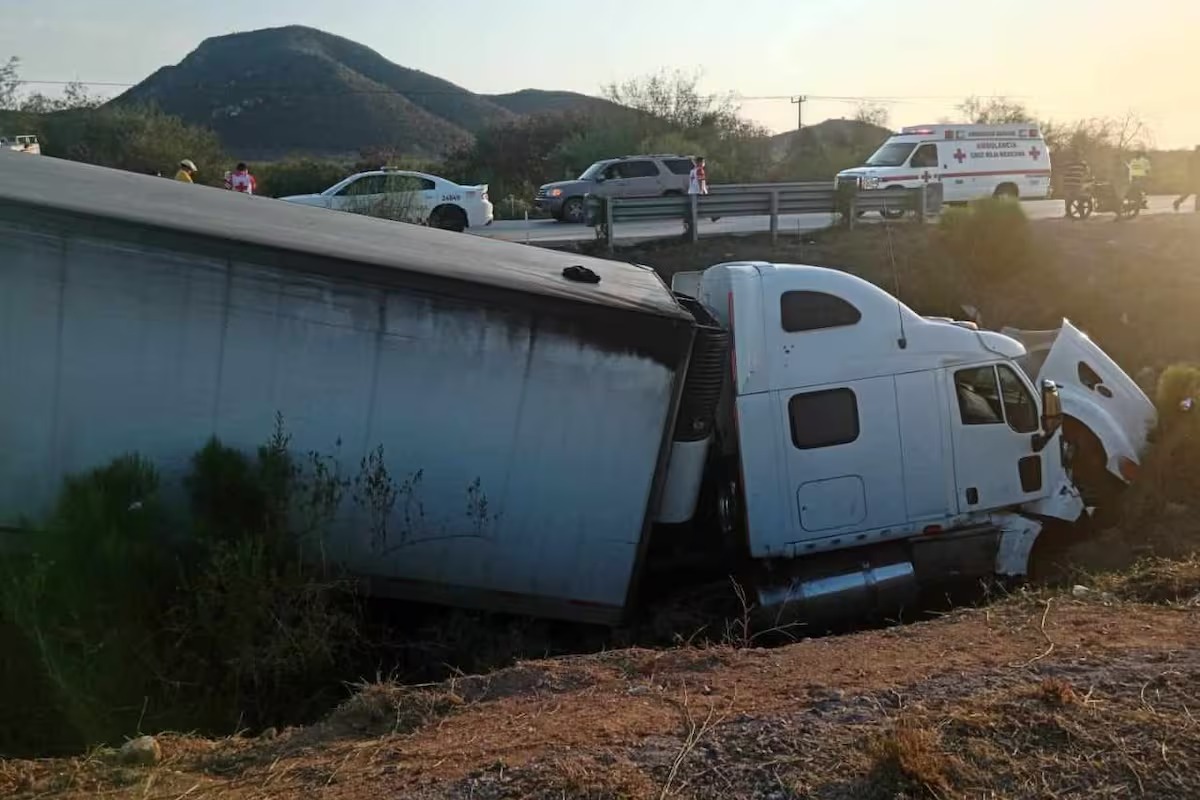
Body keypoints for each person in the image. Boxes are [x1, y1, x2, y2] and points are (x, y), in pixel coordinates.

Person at [1060, 151, 1090, 217]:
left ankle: (1081, 212)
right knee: (1068, 199)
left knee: (1079, 198)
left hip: (1076, 184)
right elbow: (1063, 172)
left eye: (1077, 155)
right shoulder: (1069, 163)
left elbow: (1087, 172)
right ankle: (1068, 213)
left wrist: (1083, 179)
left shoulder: (1083, 164)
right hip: (1069, 184)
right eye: (1074, 155)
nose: (1076, 157)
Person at [1174, 145, 1199, 212]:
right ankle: (1197, 208)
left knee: (1189, 193)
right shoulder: (1195, 158)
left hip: (1192, 178)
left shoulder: (1191, 157)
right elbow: (1193, 169)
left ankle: (1177, 202)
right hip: (1195, 178)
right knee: (1197, 193)